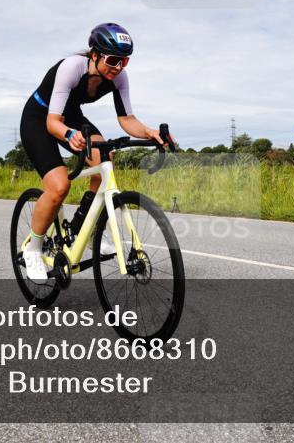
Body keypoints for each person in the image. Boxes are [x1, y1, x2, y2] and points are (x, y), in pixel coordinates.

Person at [19, 23, 177, 282]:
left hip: (70, 116)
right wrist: (70, 135)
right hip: (39, 119)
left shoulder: (119, 78)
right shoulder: (72, 67)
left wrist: (150, 132)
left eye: (124, 61)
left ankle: (87, 227)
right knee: (59, 186)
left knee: (106, 158)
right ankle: (33, 249)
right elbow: (52, 123)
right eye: (113, 60)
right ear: (95, 55)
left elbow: (126, 119)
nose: (118, 67)